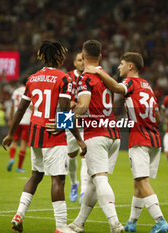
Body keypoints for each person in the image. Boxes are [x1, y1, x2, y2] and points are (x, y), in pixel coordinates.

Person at [2, 40, 86, 233]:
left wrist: (10, 134)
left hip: (36, 133)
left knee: (36, 175)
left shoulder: (32, 78)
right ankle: (60, 227)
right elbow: (64, 111)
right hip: (53, 134)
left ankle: (19, 215)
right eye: (62, 54)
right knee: (58, 180)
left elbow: (21, 109)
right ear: (57, 57)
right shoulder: (64, 78)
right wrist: (79, 140)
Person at [85, 52, 168, 233]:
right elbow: (158, 117)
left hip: (139, 139)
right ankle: (132, 223)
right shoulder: (147, 86)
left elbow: (116, 87)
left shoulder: (130, 83)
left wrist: (99, 72)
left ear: (130, 67)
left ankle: (161, 221)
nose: (119, 67)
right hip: (154, 138)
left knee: (143, 181)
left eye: (121, 64)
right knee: (138, 184)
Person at [68, 40, 124, 233]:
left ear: (83, 57)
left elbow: (83, 106)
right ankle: (78, 223)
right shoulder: (105, 75)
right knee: (93, 180)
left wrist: (65, 119)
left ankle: (115, 224)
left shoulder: (85, 78)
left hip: (96, 134)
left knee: (100, 179)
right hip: (114, 135)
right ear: (100, 56)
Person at [66, 52, 88, 203]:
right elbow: (60, 99)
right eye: (79, 60)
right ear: (74, 63)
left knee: (85, 156)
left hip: (86, 122)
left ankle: (84, 192)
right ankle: (74, 184)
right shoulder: (67, 77)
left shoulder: (91, 77)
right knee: (71, 157)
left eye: (84, 60)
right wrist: (70, 104)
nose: (82, 63)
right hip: (69, 121)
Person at [6, 81, 32, 173]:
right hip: (27, 120)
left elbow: (12, 106)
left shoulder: (16, 91)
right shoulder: (30, 90)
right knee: (23, 143)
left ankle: (11, 158)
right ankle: (19, 167)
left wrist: (10, 119)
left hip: (16, 120)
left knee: (14, 140)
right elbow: (32, 107)